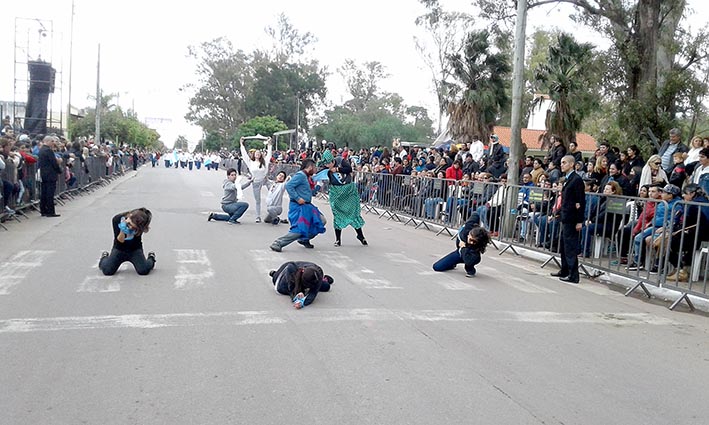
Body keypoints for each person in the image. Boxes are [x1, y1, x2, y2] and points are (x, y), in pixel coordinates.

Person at [270, 159, 327, 252]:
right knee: (300, 229)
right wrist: (297, 198)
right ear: (310, 167)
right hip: (299, 206)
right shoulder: (300, 175)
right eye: (315, 167)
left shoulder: (307, 177)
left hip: (307, 206)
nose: (316, 169)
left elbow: (308, 192)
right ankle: (278, 242)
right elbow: (289, 186)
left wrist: (318, 186)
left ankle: (304, 239)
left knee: (321, 221)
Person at [318, 149, 368, 247]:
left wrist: (337, 170)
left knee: (353, 215)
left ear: (333, 161)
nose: (328, 166)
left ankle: (361, 236)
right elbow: (318, 175)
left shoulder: (341, 160)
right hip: (336, 193)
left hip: (348, 191)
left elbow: (349, 169)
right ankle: (338, 239)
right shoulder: (325, 169)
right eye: (326, 164)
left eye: (329, 164)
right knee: (338, 215)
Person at [551, 155, 586, 283]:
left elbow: (580, 201)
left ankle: (573, 274)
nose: (562, 165)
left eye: (564, 162)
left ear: (571, 164)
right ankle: (564, 269)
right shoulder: (567, 179)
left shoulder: (576, 180)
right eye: (561, 162)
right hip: (565, 216)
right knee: (564, 245)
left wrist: (579, 221)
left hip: (572, 218)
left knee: (570, 246)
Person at [99, 208, 155, 276]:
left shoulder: (140, 226)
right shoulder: (116, 219)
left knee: (143, 270)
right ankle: (104, 257)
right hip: (119, 249)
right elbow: (119, 241)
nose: (130, 227)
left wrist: (133, 231)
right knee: (107, 271)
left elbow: (136, 241)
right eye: (129, 224)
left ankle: (151, 257)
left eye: (133, 227)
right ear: (129, 215)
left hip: (134, 249)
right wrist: (122, 230)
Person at [432, 212, 490, 277]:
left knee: (469, 262)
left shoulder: (475, 249)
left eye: (474, 242)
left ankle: (470, 269)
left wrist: (463, 247)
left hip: (468, 256)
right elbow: (475, 215)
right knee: (436, 267)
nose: (471, 243)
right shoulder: (469, 226)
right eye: (471, 239)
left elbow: (468, 261)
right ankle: (452, 264)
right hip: (459, 253)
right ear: (469, 234)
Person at [269, 261, 334, 309]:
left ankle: (324, 280)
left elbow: (313, 294)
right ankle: (274, 274)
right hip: (282, 277)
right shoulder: (291, 272)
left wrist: (303, 302)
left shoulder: (318, 272)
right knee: (284, 287)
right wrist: (298, 300)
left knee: (326, 287)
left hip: (305, 272)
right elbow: (292, 291)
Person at [239, 136, 273, 223]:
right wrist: (241, 144)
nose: (257, 154)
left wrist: (269, 144)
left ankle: (273, 213)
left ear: (261, 154)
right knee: (258, 200)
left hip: (265, 180)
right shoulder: (250, 162)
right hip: (256, 182)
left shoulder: (264, 162)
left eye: (259, 153)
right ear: (254, 155)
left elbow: (269, 154)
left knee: (274, 194)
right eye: (256, 153)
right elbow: (244, 155)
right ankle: (258, 216)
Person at [37, 135, 62, 217]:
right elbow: (54, 162)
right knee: (49, 193)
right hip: (50, 174)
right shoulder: (48, 151)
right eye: (52, 141)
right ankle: (50, 211)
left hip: (44, 174)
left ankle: (43, 210)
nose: (53, 143)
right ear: (47, 141)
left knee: (44, 192)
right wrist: (59, 170)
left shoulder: (41, 150)